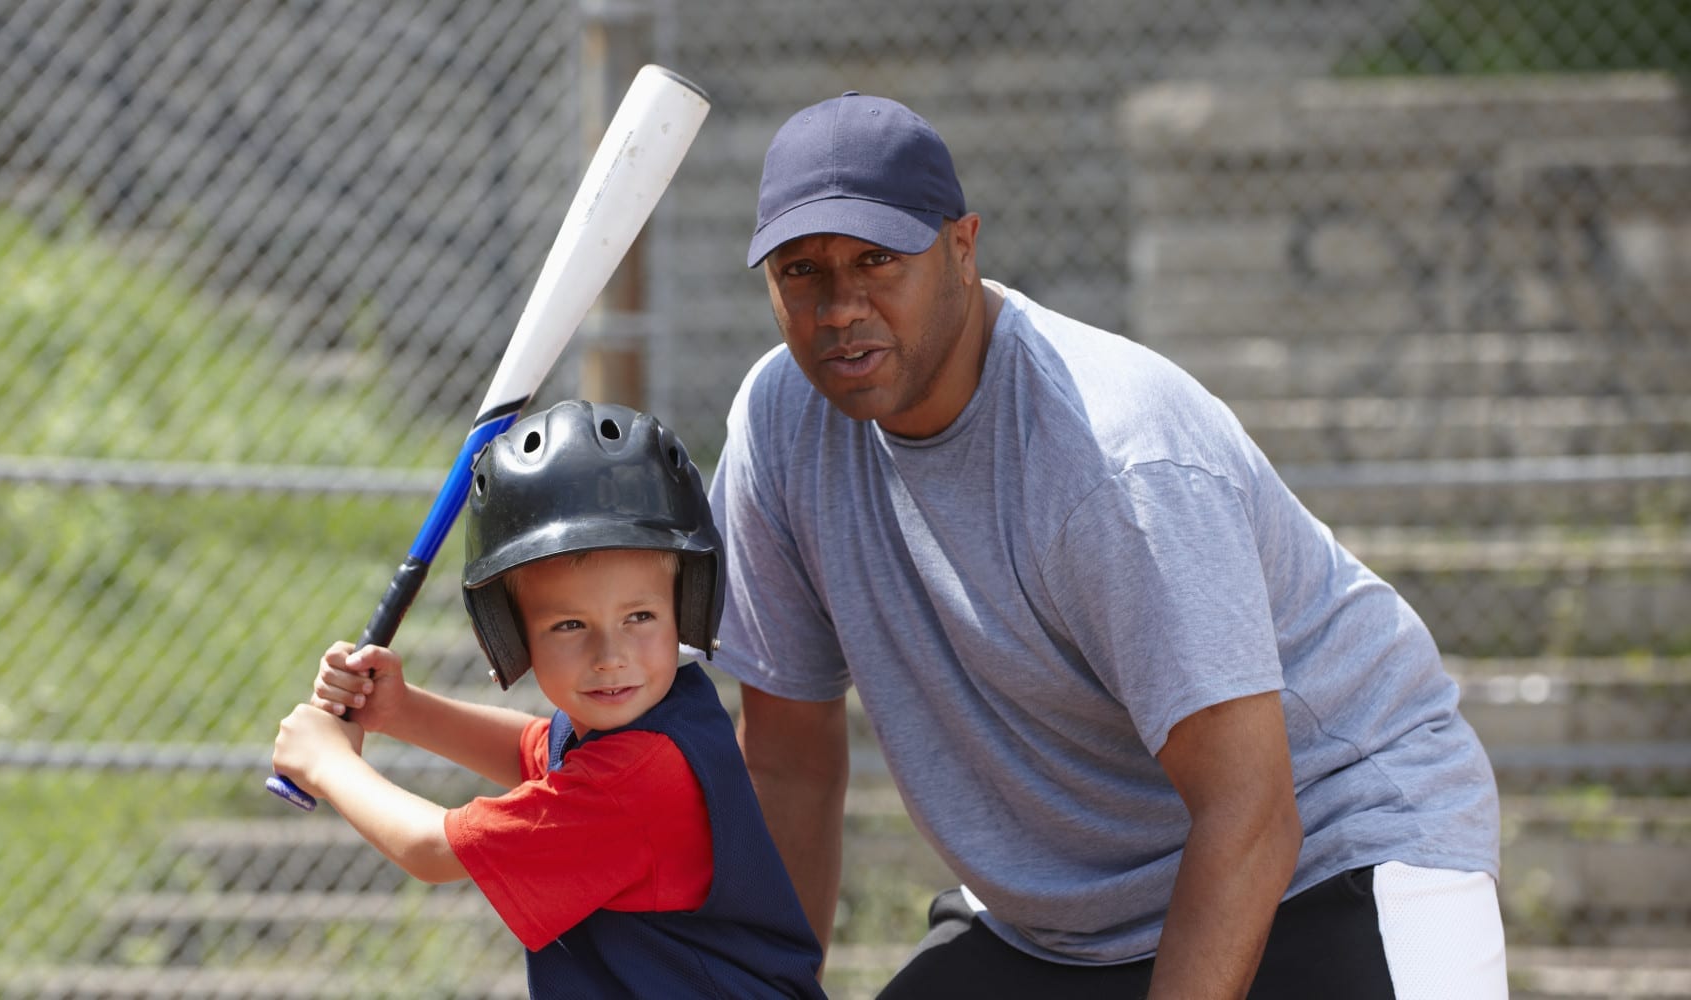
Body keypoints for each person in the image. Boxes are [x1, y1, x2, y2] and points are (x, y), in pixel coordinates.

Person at [709, 91, 1507, 998]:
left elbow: (1250, 812)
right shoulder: (780, 428)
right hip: (1066, 923)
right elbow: (787, 763)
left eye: (878, 260)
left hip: (1332, 853)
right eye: (800, 271)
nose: (840, 306)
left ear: (963, 250)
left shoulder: (1113, 458)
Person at [271, 399, 828, 999]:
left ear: (684, 607)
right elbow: (534, 750)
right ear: (514, 636)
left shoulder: (638, 779)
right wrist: (402, 710)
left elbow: (431, 851)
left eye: (640, 616)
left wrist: (331, 765)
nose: (609, 654)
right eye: (569, 625)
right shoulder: (660, 721)